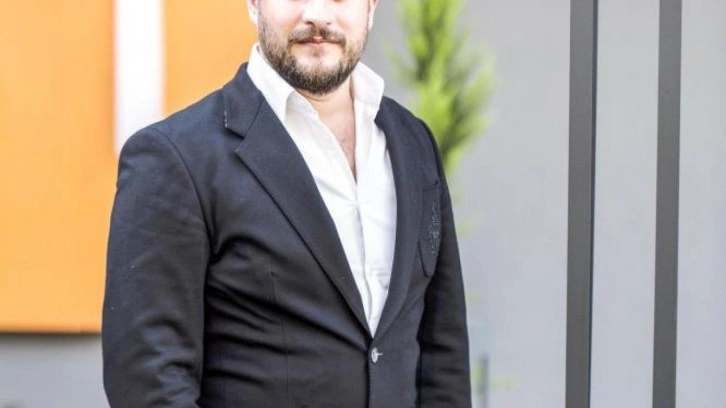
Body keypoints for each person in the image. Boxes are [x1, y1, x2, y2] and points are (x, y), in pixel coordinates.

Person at [102, 0, 470, 406]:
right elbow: (150, 382)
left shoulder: (413, 144)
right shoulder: (175, 159)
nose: (317, 14)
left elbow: (443, 358)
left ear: (371, 5)